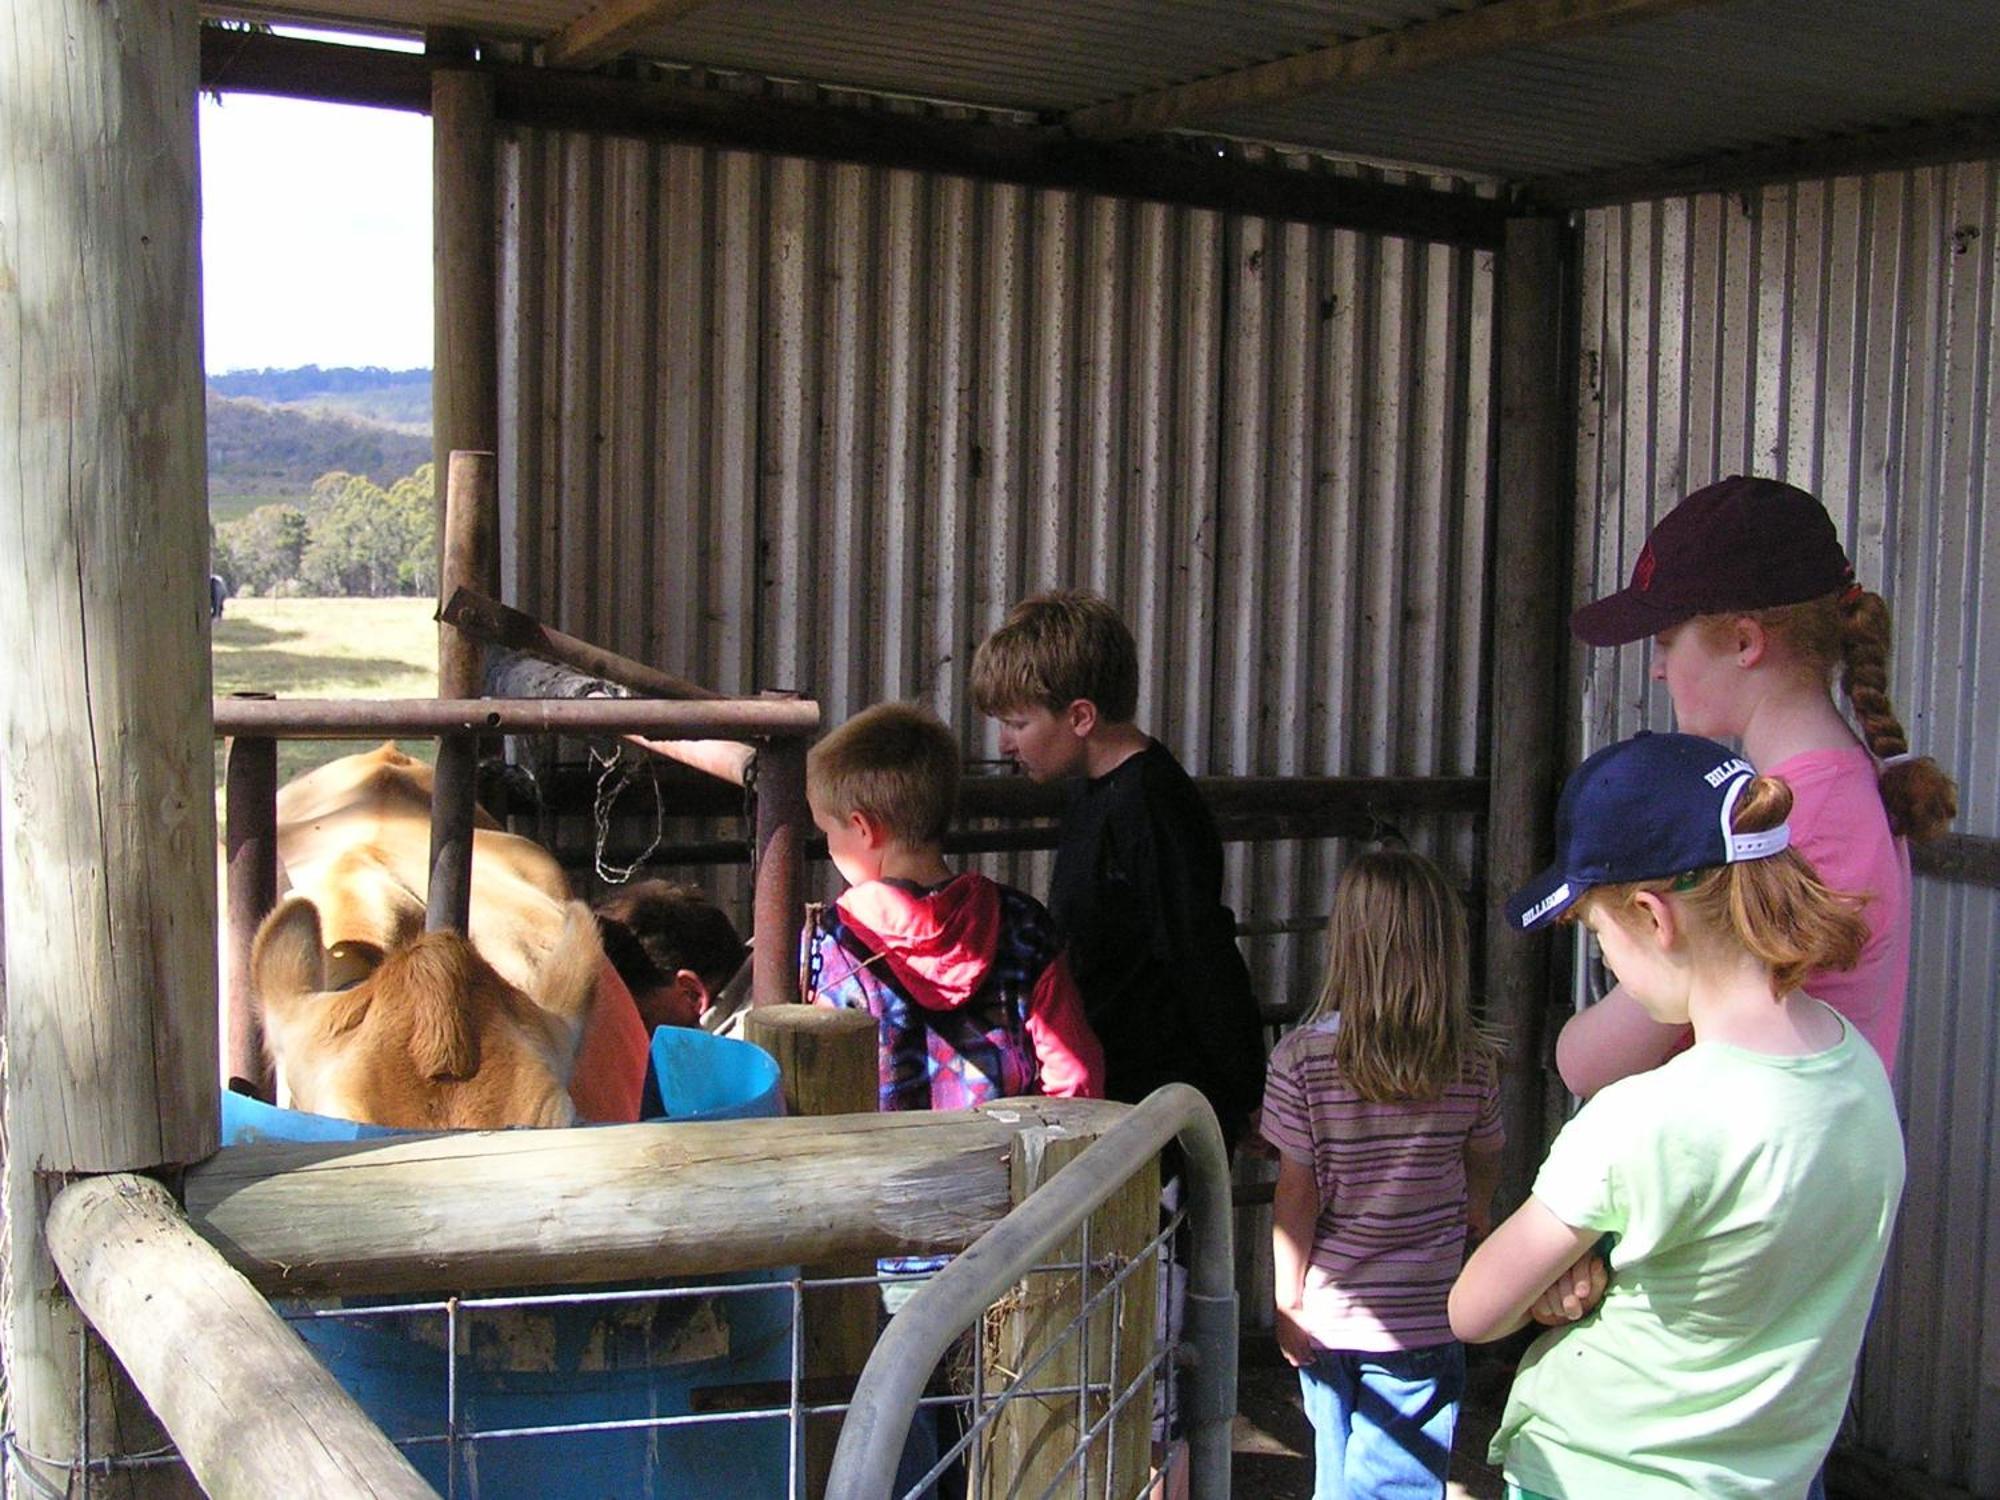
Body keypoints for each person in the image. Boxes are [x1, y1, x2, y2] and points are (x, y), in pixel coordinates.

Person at [1450, 732, 1906, 1500]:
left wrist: (1552, 1278)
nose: (1607, 962)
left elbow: (1473, 1309)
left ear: (1653, 919)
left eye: (1600, 937)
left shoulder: (1642, 1118)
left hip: (1596, 1477)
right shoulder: (1857, 1074)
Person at [1558, 475, 1956, 1097]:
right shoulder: (1844, 781)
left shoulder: (1781, 826)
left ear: (1745, 641)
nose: (1657, 669)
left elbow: (1587, 1062)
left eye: (1666, 641)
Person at [969, 589, 1266, 1149]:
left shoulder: (1151, 806)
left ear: (1081, 716)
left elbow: (1201, 954)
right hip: (1113, 1097)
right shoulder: (1089, 789)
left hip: (1161, 1106)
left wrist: (1247, 1092)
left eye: (1017, 723)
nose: (1005, 743)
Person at [1262, 850, 1503, 1500]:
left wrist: (1287, 1299)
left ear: (1347, 944)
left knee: (1337, 1476)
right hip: (1426, 1313)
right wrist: (1477, 1207)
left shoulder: (1300, 1059)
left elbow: (1297, 1193)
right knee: (1392, 1484)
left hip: (1327, 1313)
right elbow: (1485, 1153)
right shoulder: (1472, 1062)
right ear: (1445, 948)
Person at [802, 700, 1104, 1116]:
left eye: (827, 831)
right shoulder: (1023, 925)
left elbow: (814, 1091)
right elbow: (1075, 1079)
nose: (829, 845)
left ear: (862, 828)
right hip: (1007, 1173)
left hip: (880, 1175)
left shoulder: (834, 944)